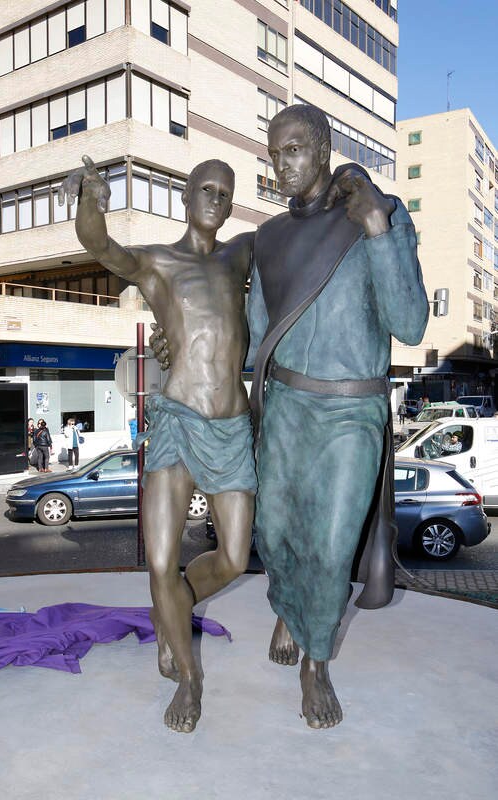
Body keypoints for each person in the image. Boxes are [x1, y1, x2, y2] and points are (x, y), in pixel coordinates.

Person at [245, 104, 429, 729]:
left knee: (328, 547)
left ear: (323, 147)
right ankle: (291, 608)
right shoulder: (268, 238)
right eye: (274, 154)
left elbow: (408, 322)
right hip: (288, 407)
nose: (282, 165)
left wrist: (379, 230)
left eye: (293, 149)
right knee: (273, 533)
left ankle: (315, 662)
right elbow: (255, 339)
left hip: (351, 410)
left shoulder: (376, 216)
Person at [60, 156, 257, 734]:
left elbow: (289, 245)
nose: (216, 201)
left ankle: (173, 609)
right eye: (206, 190)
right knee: (160, 560)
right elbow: (103, 249)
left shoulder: (240, 253)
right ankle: (189, 680)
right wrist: (91, 200)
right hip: (174, 420)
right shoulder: (158, 263)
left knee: (235, 558)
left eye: (225, 193)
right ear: (186, 196)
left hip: (230, 426)